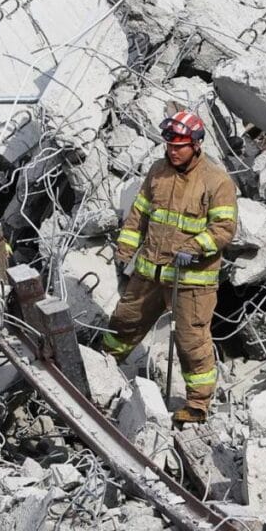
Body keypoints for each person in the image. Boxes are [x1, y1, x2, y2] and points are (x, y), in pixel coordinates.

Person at [103, 110, 238, 424]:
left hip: (191, 282)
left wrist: (193, 247)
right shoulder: (158, 171)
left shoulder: (216, 181)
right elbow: (139, 213)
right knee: (124, 320)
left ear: (196, 144)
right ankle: (104, 366)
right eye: (169, 145)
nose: (173, 151)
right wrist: (125, 247)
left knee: (192, 343)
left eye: (179, 145)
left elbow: (224, 228)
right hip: (150, 272)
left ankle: (197, 406)